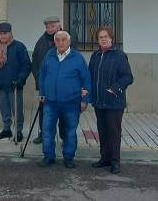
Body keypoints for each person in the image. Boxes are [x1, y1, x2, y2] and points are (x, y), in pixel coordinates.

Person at [38, 31, 91, 169]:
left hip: (71, 102)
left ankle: (68, 157)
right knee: (47, 130)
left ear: (69, 41)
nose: (61, 43)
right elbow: (42, 74)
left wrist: (85, 100)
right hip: (50, 102)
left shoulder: (77, 57)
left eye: (64, 40)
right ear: (55, 42)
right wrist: (42, 93)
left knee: (69, 132)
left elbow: (86, 79)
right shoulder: (49, 55)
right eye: (58, 40)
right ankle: (48, 156)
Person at [88, 26, 134, 175]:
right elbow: (90, 76)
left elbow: (128, 77)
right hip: (99, 101)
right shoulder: (95, 56)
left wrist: (115, 88)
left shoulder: (119, 56)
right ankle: (105, 158)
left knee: (113, 133)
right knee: (102, 131)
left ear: (111, 38)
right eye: (100, 37)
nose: (103, 39)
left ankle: (115, 162)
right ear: (97, 40)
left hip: (114, 102)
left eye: (106, 37)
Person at [0, 22, 32, 142]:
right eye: (0, 34)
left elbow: (26, 65)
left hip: (15, 85)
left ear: (10, 33)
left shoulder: (19, 46)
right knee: (4, 110)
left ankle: (18, 131)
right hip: (2, 84)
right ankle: (7, 129)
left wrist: (21, 78)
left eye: (5, 33)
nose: (3, 36)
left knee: (17, 110)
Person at [31, 15, 62, 144]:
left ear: (59, 26)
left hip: (63, 86)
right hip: (46, 86)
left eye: (52, 26)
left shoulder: (67, 39)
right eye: (48, 27)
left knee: (63, 114)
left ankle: (64, 136)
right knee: (44, 112)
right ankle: (44, 134)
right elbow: (35, 62)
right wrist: (39, 80)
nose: (50, 29)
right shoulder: (41, 41)